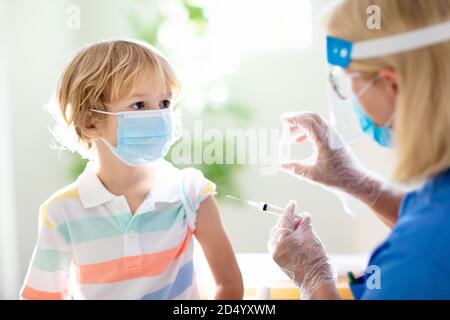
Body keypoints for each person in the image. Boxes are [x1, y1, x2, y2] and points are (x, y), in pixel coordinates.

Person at [20, 39, 243, 300]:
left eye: (164, 103)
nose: (158, 116)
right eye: (138, 105)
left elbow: (228, 284)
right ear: (90, 122)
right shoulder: (61, 213)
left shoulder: (191, 193)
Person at [269, 0, 450, 300]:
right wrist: (355, 181)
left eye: (346, 82)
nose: (350, 97)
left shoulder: (419, 261)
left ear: (391, 85)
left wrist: (314, 280)